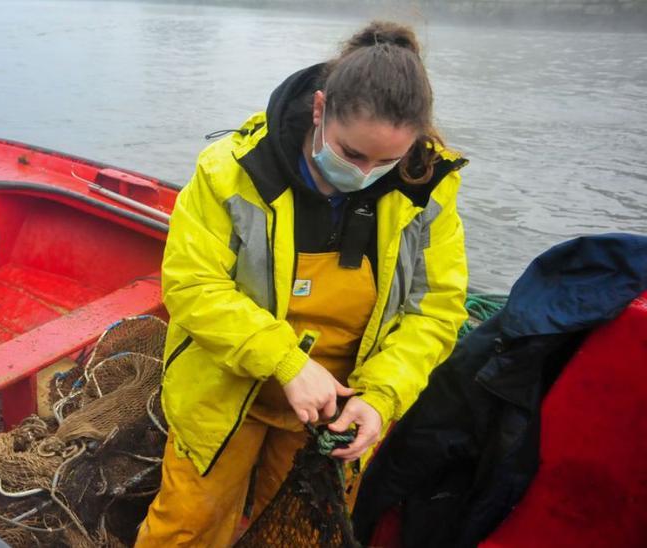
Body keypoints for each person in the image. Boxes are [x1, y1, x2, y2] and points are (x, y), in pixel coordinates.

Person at [137, 21, 469, 546]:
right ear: (320, 109)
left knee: (300, 534)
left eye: (388, 162)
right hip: (224, 392)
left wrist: (381, 396)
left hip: (336, 411)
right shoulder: (231, 170)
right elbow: (192, 286)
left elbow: (437, 312)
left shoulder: (428, 188)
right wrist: (288, 363)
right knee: (185, 526)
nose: (368, 173)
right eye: (352, 154)